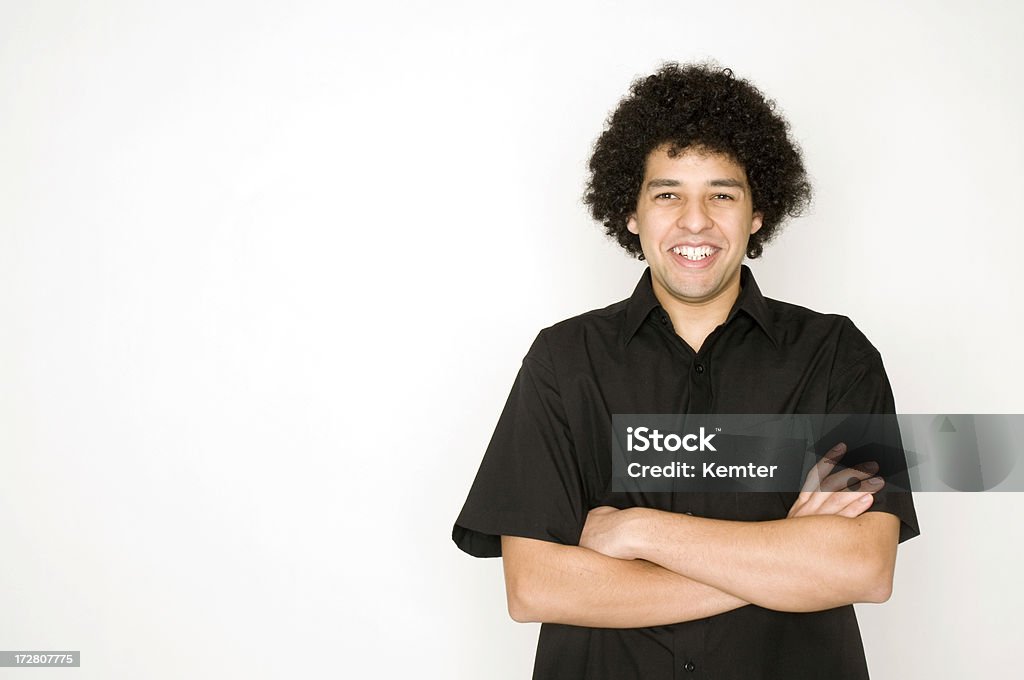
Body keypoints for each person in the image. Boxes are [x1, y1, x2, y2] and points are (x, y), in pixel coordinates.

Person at [452, 62, 919, 679]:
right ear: (631, 212)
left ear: (758, 213)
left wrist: (639, 531)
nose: (694, 221)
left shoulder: (839, 356)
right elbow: (537, 588)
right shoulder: (562, 362)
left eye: (721, 194)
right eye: (667, 194)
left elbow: (862, 569)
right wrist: (781, 560)